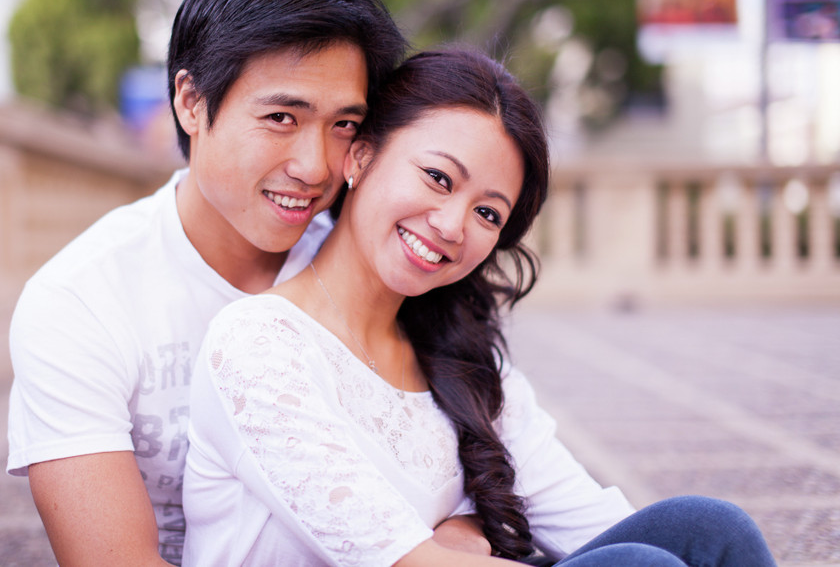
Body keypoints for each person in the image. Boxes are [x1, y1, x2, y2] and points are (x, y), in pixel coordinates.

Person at [183, 49, 778, 566]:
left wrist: (470, 526)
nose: (452, 226)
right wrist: (460, 537)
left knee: (709, 529)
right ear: (360, 157)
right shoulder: (260, 344)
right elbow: (405, 562)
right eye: (439, 178)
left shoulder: (456, 355)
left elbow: (591, 522)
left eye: (487, 213)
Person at [6, 0, 407, 566]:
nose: (315, 167)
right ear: (191, 102)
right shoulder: (79, 300)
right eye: (281, 118)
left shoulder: (372, 265)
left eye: (344, 125)